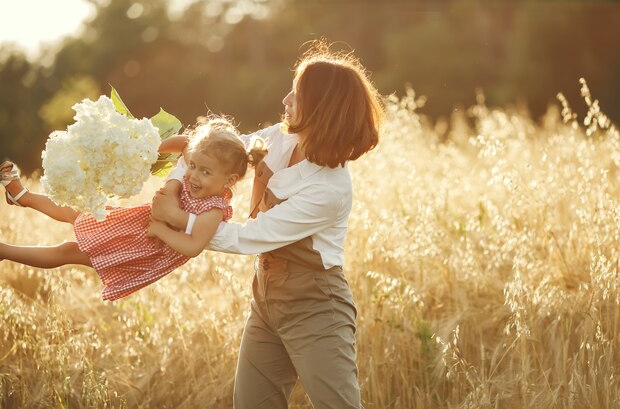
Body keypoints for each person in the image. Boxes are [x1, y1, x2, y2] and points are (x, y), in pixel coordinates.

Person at [151, 40, 385, 409]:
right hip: (266, 299)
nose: (285, 99)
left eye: (296, 94)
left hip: (317, 308)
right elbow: (209, 151)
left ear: (320, 108)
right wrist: (171, 184)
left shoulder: (329, 189)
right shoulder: (276, 138)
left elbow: (250, 237)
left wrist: (178, 218)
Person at [0, 117, 266, 301]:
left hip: (145, 247)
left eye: (205, 172)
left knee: (69, 251)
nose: (194, 175)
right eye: (193, 166)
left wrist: (162, 229)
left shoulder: (214, 209)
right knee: (81, 211)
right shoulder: (200, 163)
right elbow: (185, 143)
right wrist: (153, 149)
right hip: (137, 223)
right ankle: (23, 197)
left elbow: (193, 246)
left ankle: (4, 252)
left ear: (229, 181)